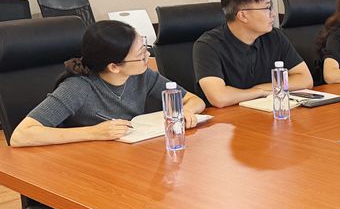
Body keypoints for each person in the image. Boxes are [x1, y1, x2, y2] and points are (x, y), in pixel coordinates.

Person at [10, 20, 205, 147]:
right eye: (141, 55)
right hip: (85, 167)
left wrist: (185, 112)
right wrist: (94, 132)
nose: (148, 56)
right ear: (114, 67)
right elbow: (21, 135)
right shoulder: (78, 88)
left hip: (126, 159)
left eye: (145, 49)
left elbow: (195, 100)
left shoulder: (142, 75)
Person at [193, 0, 314, 107]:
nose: (273, 14)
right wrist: (259, 91)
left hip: (266, 112)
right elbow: (219, 97)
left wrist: (262, 89)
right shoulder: (208, 45)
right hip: (228, 118)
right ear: (243, 15)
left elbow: (305, 79)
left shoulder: (275, 37)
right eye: (267, 8)